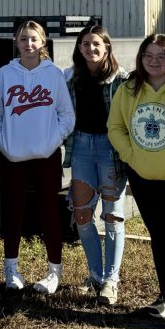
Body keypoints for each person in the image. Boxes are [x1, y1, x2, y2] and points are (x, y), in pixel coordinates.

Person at [107, 34, 165, 329]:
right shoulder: (129, 88)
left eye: (162, 55)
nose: (154, 61)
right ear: (141, 58)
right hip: (143, 176)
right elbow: (115, 127)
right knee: (159, 236)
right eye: (148, 55)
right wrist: (132, 155)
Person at [0, 20, 75, 296]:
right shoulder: (5, 73)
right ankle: (11, 268)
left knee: (49, 213)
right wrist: (4, 143)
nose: (28, 44)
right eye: (23, 39)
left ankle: (54, 272)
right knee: (13, 212)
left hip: (46, 156)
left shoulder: (54, 74)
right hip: (13, 156)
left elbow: (67, 116)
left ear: (43, 42)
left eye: (33, 39)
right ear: (16, 42)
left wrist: (52, 142)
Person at [63, 24, 127, 305]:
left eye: (96, 44)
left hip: (110, 150)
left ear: (107, 47)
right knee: (83, 217)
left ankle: (111, 281)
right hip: (81, 149)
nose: (91, 48)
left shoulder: (121, 80)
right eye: (86, 44)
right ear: (79, 48)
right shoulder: (71, 78)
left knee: (112, 217)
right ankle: (96, 275)